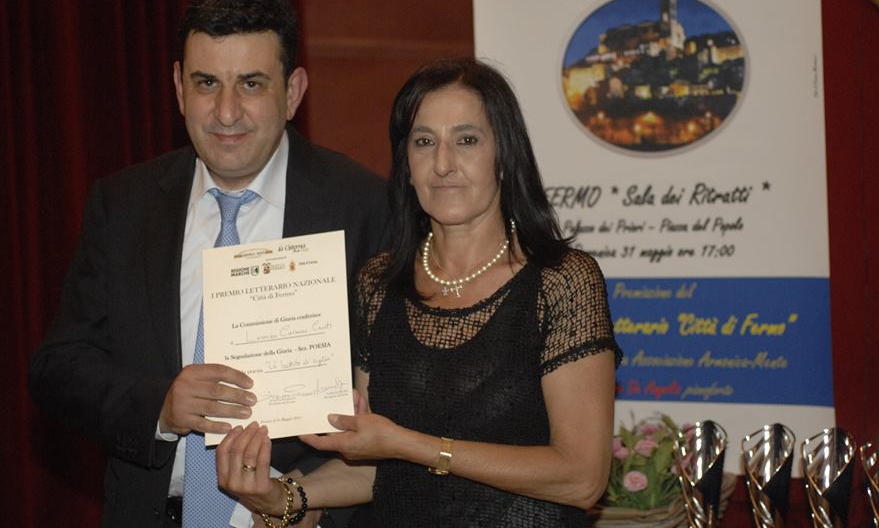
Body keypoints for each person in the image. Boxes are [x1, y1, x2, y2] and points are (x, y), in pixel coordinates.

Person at [29, 0, 388, 528]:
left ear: (292, 92)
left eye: (251, 84)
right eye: (207, 83)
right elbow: (58, 368)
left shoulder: (363, 207)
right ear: (179, 88)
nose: (226, 111)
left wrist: (306, 503)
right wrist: (160, 405)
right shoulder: (124, 205)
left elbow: (401, 403)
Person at [215, 58, 622, 527]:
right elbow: (373, 465)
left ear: (505, 156)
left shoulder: (561, 281)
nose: (443, 164)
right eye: (424, 142)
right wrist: (283, 496)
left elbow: (581, 478)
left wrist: (408, 444)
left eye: (466, 140)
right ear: (406, 164)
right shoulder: (378, 283)